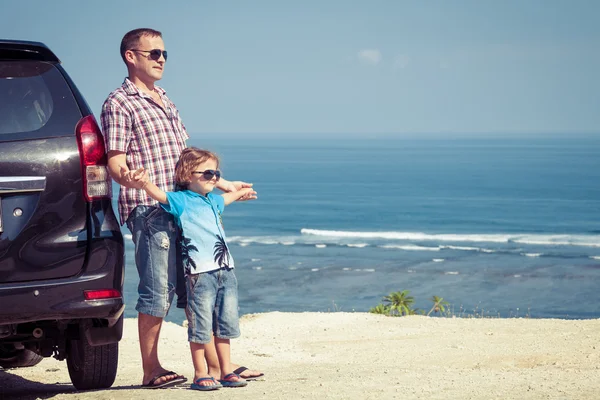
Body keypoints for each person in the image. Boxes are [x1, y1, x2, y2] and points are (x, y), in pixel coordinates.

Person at [101, 28, 262, 389]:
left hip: (186, 208)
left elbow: (185, 162)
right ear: (131, 56)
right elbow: (115, 160)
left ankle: (218, 366)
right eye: (153, 53)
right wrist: (131, 179)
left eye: (164, 54)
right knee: (158, 290)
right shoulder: (119, 103)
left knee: (198, 287)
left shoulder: (165, 98)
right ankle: (151, 367)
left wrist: (222, 183)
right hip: (149, 207)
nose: (161, 59)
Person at [137, 147, 256, 390]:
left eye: (217, 173)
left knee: (225, 323)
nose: (215, 178)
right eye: (209, 173)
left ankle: (226, 370)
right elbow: (159, 195)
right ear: (188, 174)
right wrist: (144, 182)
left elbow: (229, 197)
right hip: (199, 273)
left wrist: (241, 190)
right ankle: (200, 373)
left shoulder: (214, 200)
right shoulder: (180, 200)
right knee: (200, 323)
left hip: (226, 270)